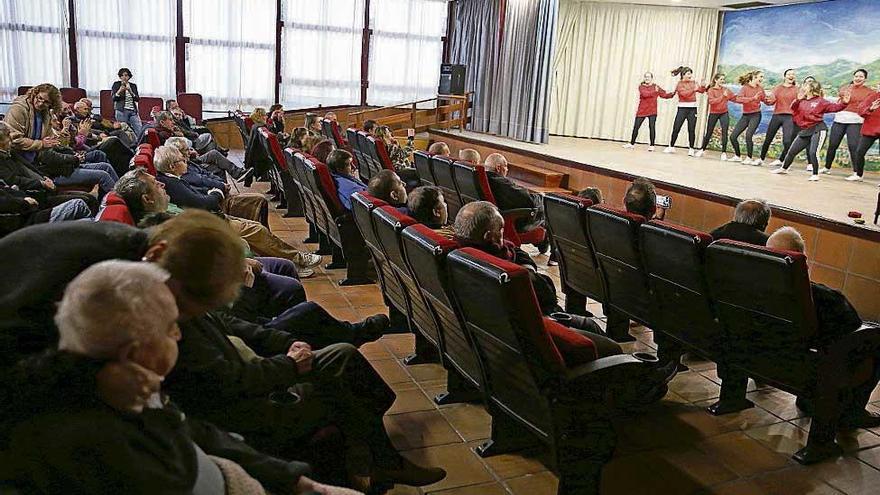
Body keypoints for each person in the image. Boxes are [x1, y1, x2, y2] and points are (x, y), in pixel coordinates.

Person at [2, 260, 361, 494]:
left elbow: (193, 432)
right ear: (134, 351)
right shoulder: (92, 449)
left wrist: (300, 483)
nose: (178, 335)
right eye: (171, 328)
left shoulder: (125, 390)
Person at [766, 227, 880, 429]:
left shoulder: (750, 289)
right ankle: (854, 412)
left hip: (760, 356)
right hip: (809, 370)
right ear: (804, 262)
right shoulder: (825, 298)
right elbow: (853, 324)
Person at [771, 79, 848, 180]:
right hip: (805, 130)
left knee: (813, 152)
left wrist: (844, 103)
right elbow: (793, 109)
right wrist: (798, 100)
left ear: (811, 89)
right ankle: (784, 168)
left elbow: (835, 107)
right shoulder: (802, 100)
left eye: (806, 86)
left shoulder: (821, 101)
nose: (803, 88)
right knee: (792, 151)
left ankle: (815, 174)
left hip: (818, 129)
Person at [825, 69, 873, 180]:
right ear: (853, 77)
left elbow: (869, 107)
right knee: (832, 144)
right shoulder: (844, 89)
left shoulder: (869, 92)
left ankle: (857, 173)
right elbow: (839, 102)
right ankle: (827, 167)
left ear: (865, 79)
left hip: (856, 121)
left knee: (853, 147)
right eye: (856, 76)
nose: (858, 78)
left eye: (861, 76)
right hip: (840, 118)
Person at [483, 153, 545, 232]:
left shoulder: (484, 178)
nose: (507, 170)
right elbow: (528, 200)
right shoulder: (501, 183)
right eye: (505, 166)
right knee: (544, 209)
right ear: (498, 168)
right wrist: (540, 197)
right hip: (511, 222)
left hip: (492, 217)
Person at [3, 83, 61, 163]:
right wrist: (41, 144)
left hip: (35, 156)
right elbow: (14, 140)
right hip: (14, 158)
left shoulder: (46, 113)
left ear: (51, 104)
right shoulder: (18, 109)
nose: (41, 103)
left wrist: (55, 139)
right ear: (34, 93)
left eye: (46, 102)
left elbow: (48, 136)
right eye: (39, 98)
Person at [760, 69, 799, 167]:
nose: (791, 76)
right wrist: (766, 100)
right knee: (768, 139)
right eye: (789, 74)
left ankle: (783, 162)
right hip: (777, 115)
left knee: (787, 141)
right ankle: (761, 159)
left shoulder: (797, 89)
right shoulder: (777, 88)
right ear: (784, 76)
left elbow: (800, 103)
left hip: (789, 117)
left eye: (793, 74)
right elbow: (771, 101)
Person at [623, 72, 671, 151]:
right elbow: (645, 94)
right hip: (642, 110)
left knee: (652, 127)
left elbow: (664, 95)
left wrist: (673, 93)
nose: (647, 78)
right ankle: (631, 144)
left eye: (648, 77)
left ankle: (652, 145)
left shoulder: (656, 87)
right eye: (645, 77)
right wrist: (655, 91)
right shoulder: (641, 86)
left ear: (652, 78)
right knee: (636, 127)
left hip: (652, 110)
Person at [663, 66, 706, 155]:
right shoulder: (679, 84)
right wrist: (693, 90)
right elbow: (684, 94)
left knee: (691, 128)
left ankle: (691, 148)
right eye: (688, 74)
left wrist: (702, 86)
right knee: (676, 127)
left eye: (691, 73)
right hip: (682, 108)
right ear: (683, 75)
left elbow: (701, 91)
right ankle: (671, 146)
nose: (690, 75)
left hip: (692, 109)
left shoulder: (694, 83)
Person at [729, 70, 766, 165]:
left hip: (756, 115)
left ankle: (749, 158)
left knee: (748, 135)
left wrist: (773, 100)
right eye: (760, 77)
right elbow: (739, 99)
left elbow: (765, 100)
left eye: (762, 77)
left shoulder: (760, 88)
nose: (762, 79)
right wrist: (752, 99)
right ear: (754, 77)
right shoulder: (745, 88)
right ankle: (737, 156)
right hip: (745, 115)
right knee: (733, 137)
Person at [696, 73, 735, 160]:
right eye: (721, 79)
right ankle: (702, 149)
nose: (722, 81)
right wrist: (723, 96)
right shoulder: (711, 90)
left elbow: (734, 98)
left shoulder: (726, 89)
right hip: (714, 113)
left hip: (724, 112)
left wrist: (748, 99)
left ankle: (724, 153)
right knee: (709, 132)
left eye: (723, 79)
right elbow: (712, 102)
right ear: (716, 80)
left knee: (725, 132)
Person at [853, 83, 880, 182]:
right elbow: (860, 111)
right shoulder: (872, 97)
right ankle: (859, 175)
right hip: (870, 129)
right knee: (859, 152)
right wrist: (870, 108)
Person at [111, 68, 142, 135]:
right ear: (120, 76)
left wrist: (131, 91)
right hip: (121, 111)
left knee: (139, 129)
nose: (124, 77)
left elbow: (137, 99)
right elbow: (114, 98)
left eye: (126, 75)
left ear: (129, 76)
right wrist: (119, 91)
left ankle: (139, 144)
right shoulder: (116, 84)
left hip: (133, 111)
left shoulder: (133, 86)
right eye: (122, 75)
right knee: (124, 131)